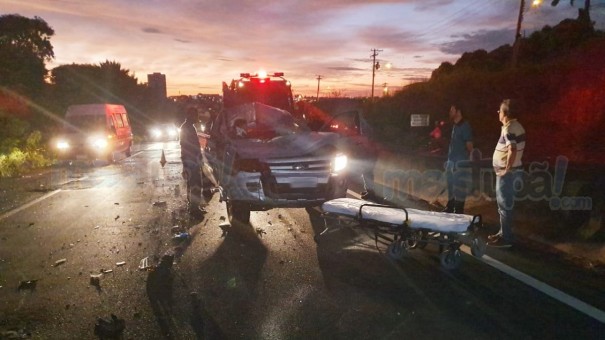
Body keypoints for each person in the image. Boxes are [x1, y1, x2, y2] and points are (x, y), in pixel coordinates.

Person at [488, 99, 525, 247]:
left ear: (505, 113)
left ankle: (506, 238)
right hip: (514, 171)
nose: (498, 113)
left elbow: (512, 149)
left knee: (504, 205)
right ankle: (503, 232)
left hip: (508, 174)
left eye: (499, 111)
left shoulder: (509, 128)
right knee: (505, 205)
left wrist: (506, 169)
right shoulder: (518, 126)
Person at [443, 105, 473, 214]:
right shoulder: (455, 125)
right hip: (451, 161)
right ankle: (450, 207)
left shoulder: (465, 126)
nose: (450, 112)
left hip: (460, 162)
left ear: (458, 112)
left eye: (452, 110)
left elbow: (469, 145)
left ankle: (459, 210)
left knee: (459, 187)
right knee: (450, 185)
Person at [180, 107, 205, 217]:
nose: (198, 117)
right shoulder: (187, 127)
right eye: (196, 115)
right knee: (195, 184)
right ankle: (194, 210)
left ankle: (194, 207)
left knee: (193, 184)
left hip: (192, 160)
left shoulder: (189, 127)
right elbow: (185, 145)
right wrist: (186, 163)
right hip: (191, 160)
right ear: (191, 115)